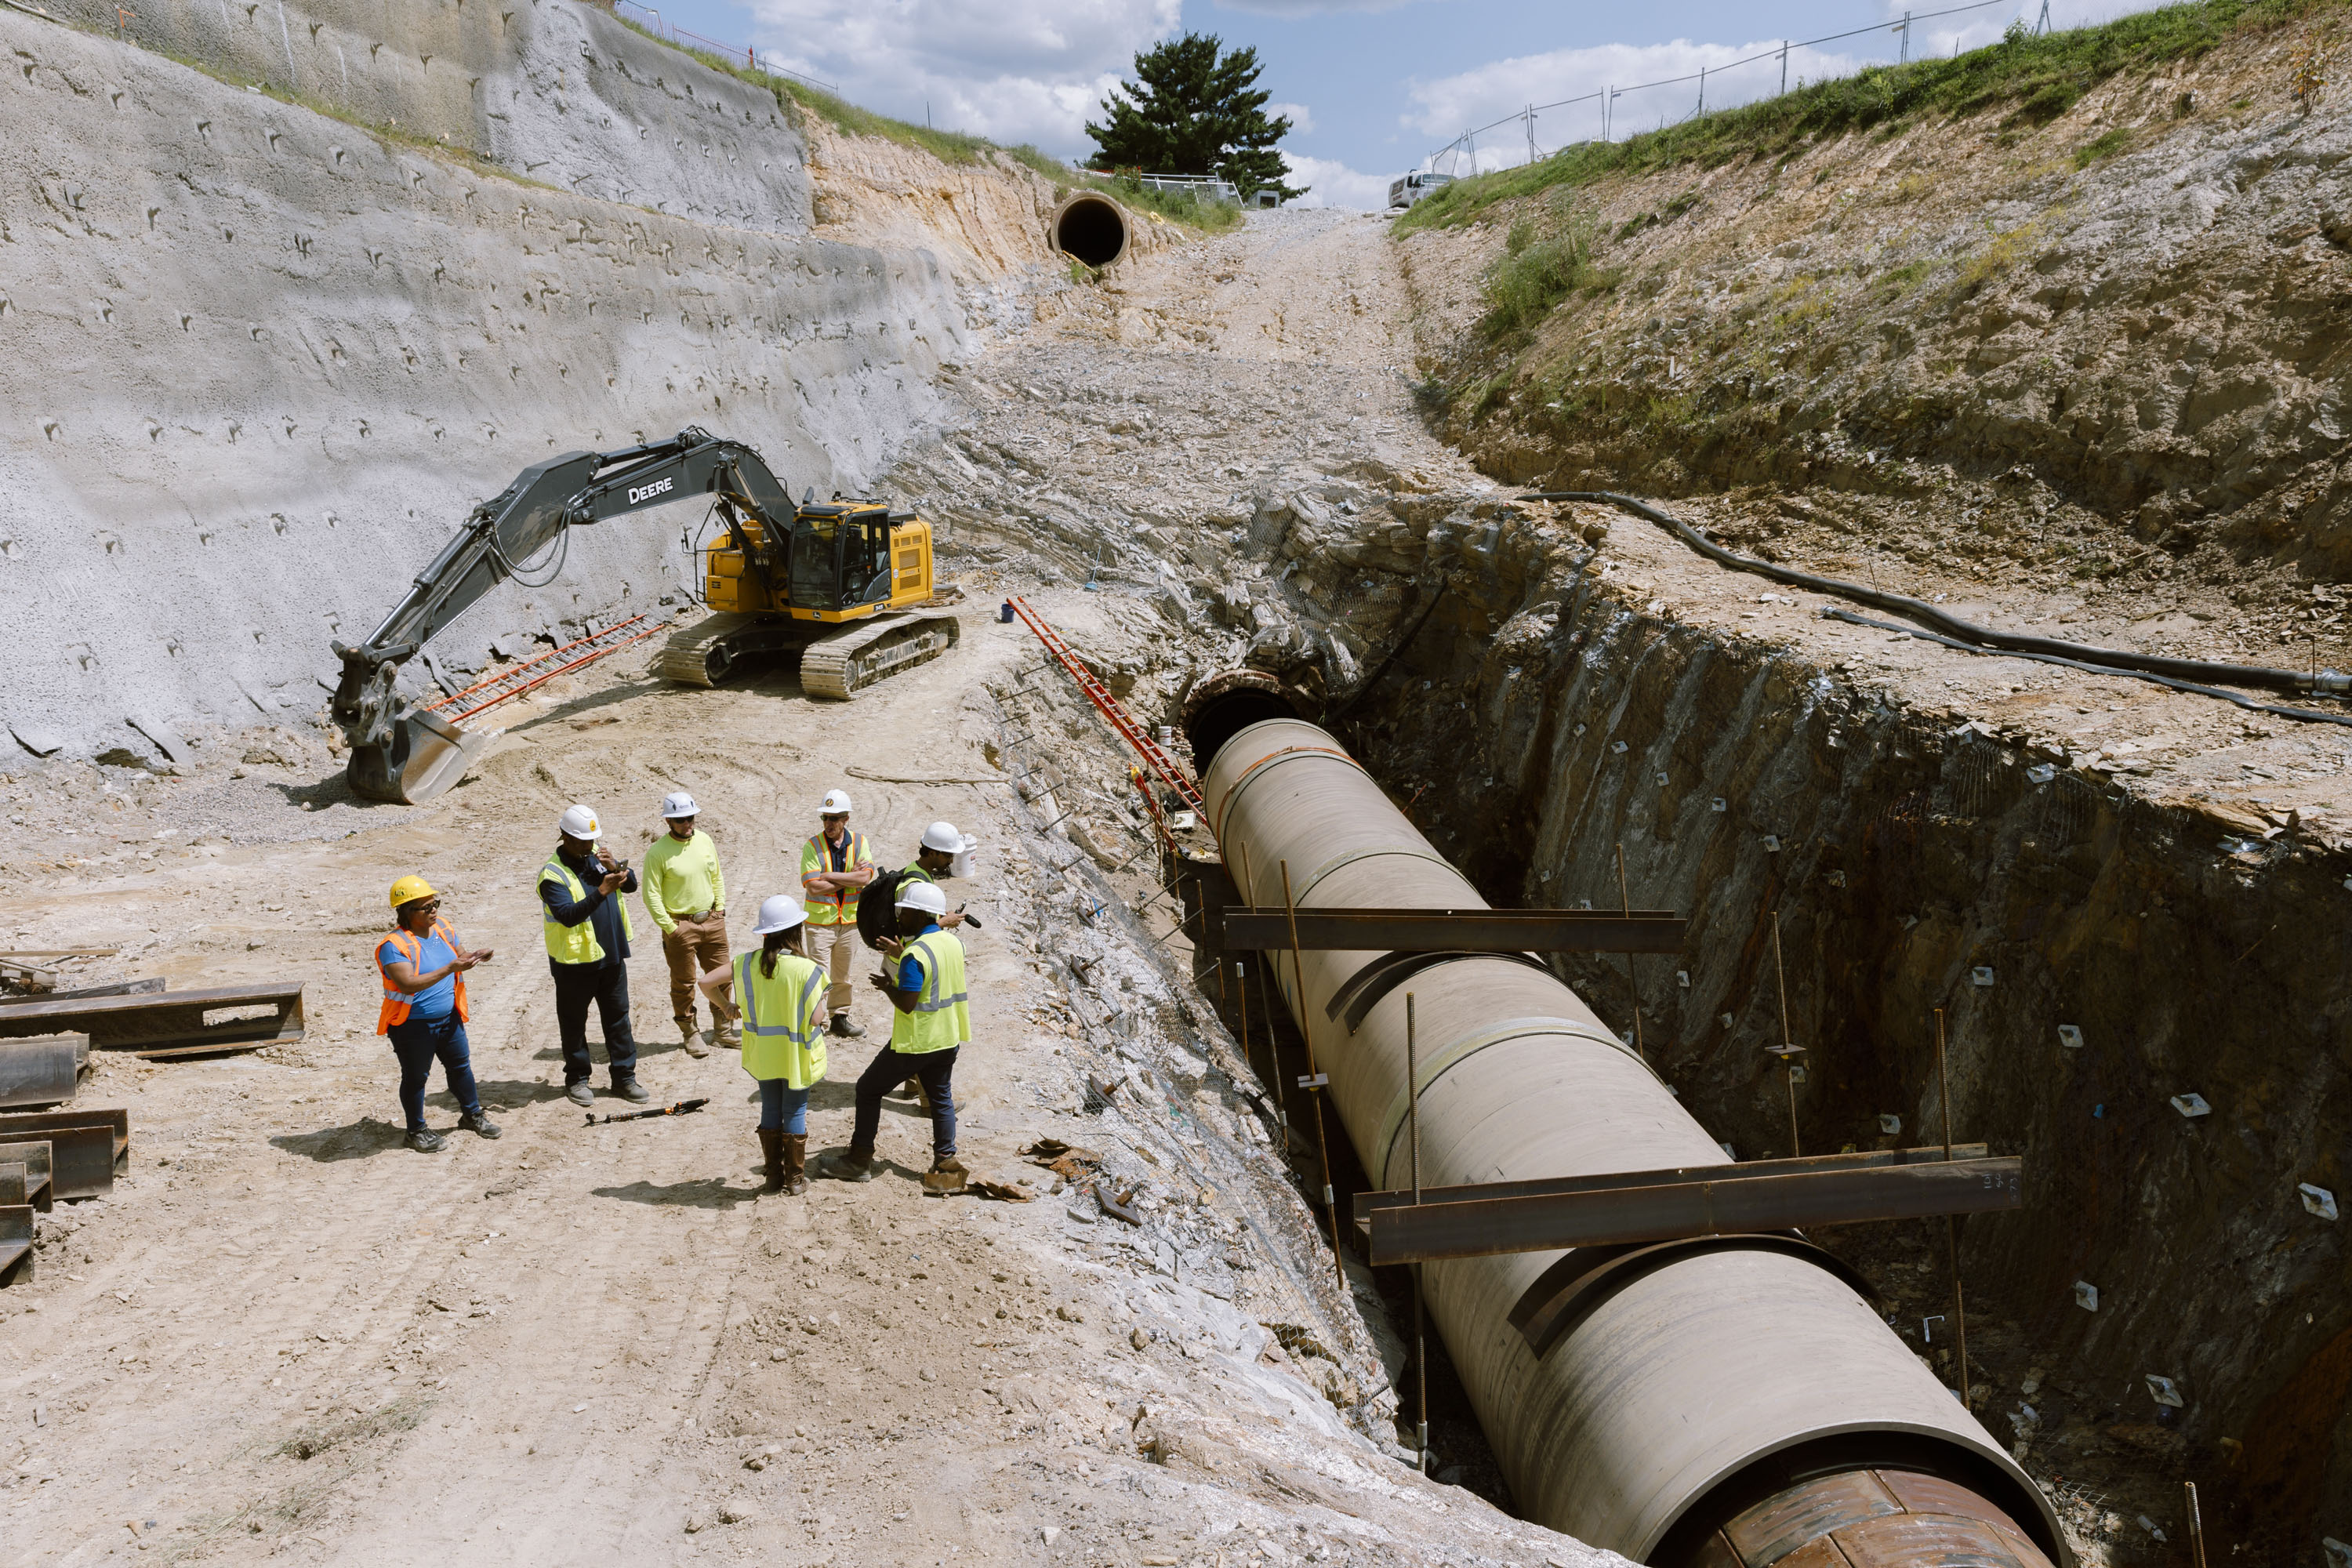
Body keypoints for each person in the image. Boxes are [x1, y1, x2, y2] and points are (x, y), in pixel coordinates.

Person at [821, 879, 969, 1186]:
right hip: (947, 1038)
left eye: (904, 911)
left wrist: (890, 987)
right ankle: (946, 1164)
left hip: (915, 1043)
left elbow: (908, 1003)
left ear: (920, 914)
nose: (899, 917)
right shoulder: (952, 943)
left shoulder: (916, 954)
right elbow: (935, 976)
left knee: (868, 1089)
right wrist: (904, 955)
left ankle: (859, 1159)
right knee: (941, 1099)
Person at [699, 895, 827, 1194]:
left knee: (771, 1108)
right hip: (796, 1053)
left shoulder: (745, 963)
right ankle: (795, 1181)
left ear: (765, 933)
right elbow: (815, 1019)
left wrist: (727, 1007)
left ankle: (772, 1179)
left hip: (763, 1053)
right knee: (794, 1111)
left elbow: (705, 983)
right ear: (796, 930)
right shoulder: (809, 970)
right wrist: (822, 1001)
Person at [375, 874, 500, 1152]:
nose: (435, 911)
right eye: (427, 907)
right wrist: (450, 969)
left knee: (460, 1068)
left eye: (436, 904)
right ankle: (415, 1130)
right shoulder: (394, 946)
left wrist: (474, 956)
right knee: (416, 1077)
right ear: (407, 911)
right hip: (412, 1026)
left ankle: (472, 1115)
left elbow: (459, 954)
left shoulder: (443, 927)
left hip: (449, 1018)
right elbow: (407, 983)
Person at [539, 802, 648, 1107]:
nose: (589, 846)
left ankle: (625, 1078)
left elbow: (631, 887)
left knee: (618, 1021)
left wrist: (616, 868)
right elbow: (568, 915)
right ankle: (577, 1079)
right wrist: (602, 890)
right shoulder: (552, 875)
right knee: (574, 1023)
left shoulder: (596, 856)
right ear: (564, 836)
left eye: (592, 840)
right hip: (574, 964)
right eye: (582, 841)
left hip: (611, 955)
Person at [642, 790, 730, 1059]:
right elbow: (651, 894)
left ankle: (723, 1031)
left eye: (690, 817)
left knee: (723, 976)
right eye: (680, 819)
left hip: (712, 921)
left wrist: (721, 907)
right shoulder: (657, 853)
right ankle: (690, 1032)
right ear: (668, 822)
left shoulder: (704, 840)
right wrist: (671, 928)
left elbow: (716, 875)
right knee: (684, 983)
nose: (687, 823)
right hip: (681, 926)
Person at [798, 788, 874, 1040]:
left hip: (850, 922)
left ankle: (839, 1018)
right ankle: (816, 1024)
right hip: (819, 923)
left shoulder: (861, 843)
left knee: (843, 976)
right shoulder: (812, 846)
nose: (829, 823)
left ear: (846, 819)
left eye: (834, 818)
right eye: (825, 818)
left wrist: (830, 875)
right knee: (817, 976)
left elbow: (865, 877)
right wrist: (849, 877)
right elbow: (813, 886)